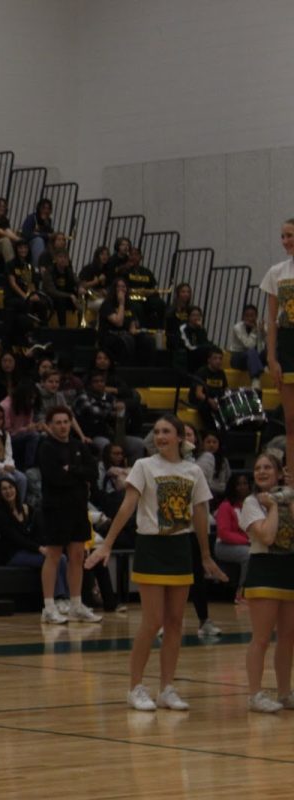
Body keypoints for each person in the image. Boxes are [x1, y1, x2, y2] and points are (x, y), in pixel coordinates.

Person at [86, 414, 228, 711]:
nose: (161, 436)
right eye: (157, 431)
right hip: (151, 546)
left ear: (180, 437)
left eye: (167, 431)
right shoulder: (143, 466)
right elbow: (128, 506)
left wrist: (205, 556)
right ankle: (135, 687)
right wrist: (107, 544)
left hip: (180, 549)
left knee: (176, 622)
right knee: (152, 622)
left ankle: (167, 688)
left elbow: (200, 515)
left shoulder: (193, 471)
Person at [236, 453, 294, 713]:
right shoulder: (251, 503)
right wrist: (272, 507)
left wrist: (287, 499)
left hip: (289, 570)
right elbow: (268, 536)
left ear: (280, 473)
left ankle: (284, 693)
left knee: (288, 637)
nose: (261, 471)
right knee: (261, 638)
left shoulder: (290, 498)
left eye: (267, 467)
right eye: (257, 468)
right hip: (263, 571)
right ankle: (255, 694)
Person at [35, 407, 101, 624]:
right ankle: (49, 606)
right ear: (50, 425)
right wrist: (79, 475)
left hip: (78, 508)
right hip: (56, 508)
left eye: (66, 421)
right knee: (54, 556)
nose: (63, 426)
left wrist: (71, 470)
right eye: (58, 422)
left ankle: (76, 604)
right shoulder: (46, 447)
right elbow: (55, 478)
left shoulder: (78, 445)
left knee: (77, 556)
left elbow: (93, 472)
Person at [263, 219, 294, 478]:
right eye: (282, 236)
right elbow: (271, 321)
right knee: (291, 422)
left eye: (290, 235)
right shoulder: (276, 272)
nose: (285, 241)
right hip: (287, 345)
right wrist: (271, 358)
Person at [213, 472, 253, 605]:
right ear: (233, 487)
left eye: (245, 484)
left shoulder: (251, 505)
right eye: (238, 484)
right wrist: (247, 542)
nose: (242, 487)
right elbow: (224, 533)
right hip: (224, 546)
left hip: (246, 543)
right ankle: (242, 593)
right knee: (248, 555)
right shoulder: (226, 506)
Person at [229, 303, 265, 389]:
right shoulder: (237, 327)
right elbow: (249, 345)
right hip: (237, 358)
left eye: (252, 316)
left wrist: (263, 331)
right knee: (251, 351)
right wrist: (254, 331)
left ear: (256, 316)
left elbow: (265, 342)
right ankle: (255, 380)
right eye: (247, 316)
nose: (249, 318)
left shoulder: (259, 325)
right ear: (243, 317)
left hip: (253, 357)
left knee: (269, 351)